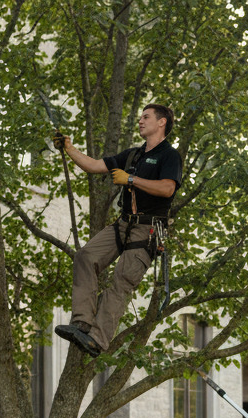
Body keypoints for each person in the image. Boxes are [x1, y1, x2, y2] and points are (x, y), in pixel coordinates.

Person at [52, 104, 182, 358]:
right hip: (123, 223)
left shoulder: (169, 156)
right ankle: (82, 323)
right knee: (85, 256)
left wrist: (131, 179)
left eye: (146, 117)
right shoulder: (133, 155)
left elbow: (167, 188)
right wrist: (68, 148)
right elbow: (93, 165)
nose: (141, 121)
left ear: (162, 122)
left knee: (121, 282)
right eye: (140, 116)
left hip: (148, 230)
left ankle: (97, 340)